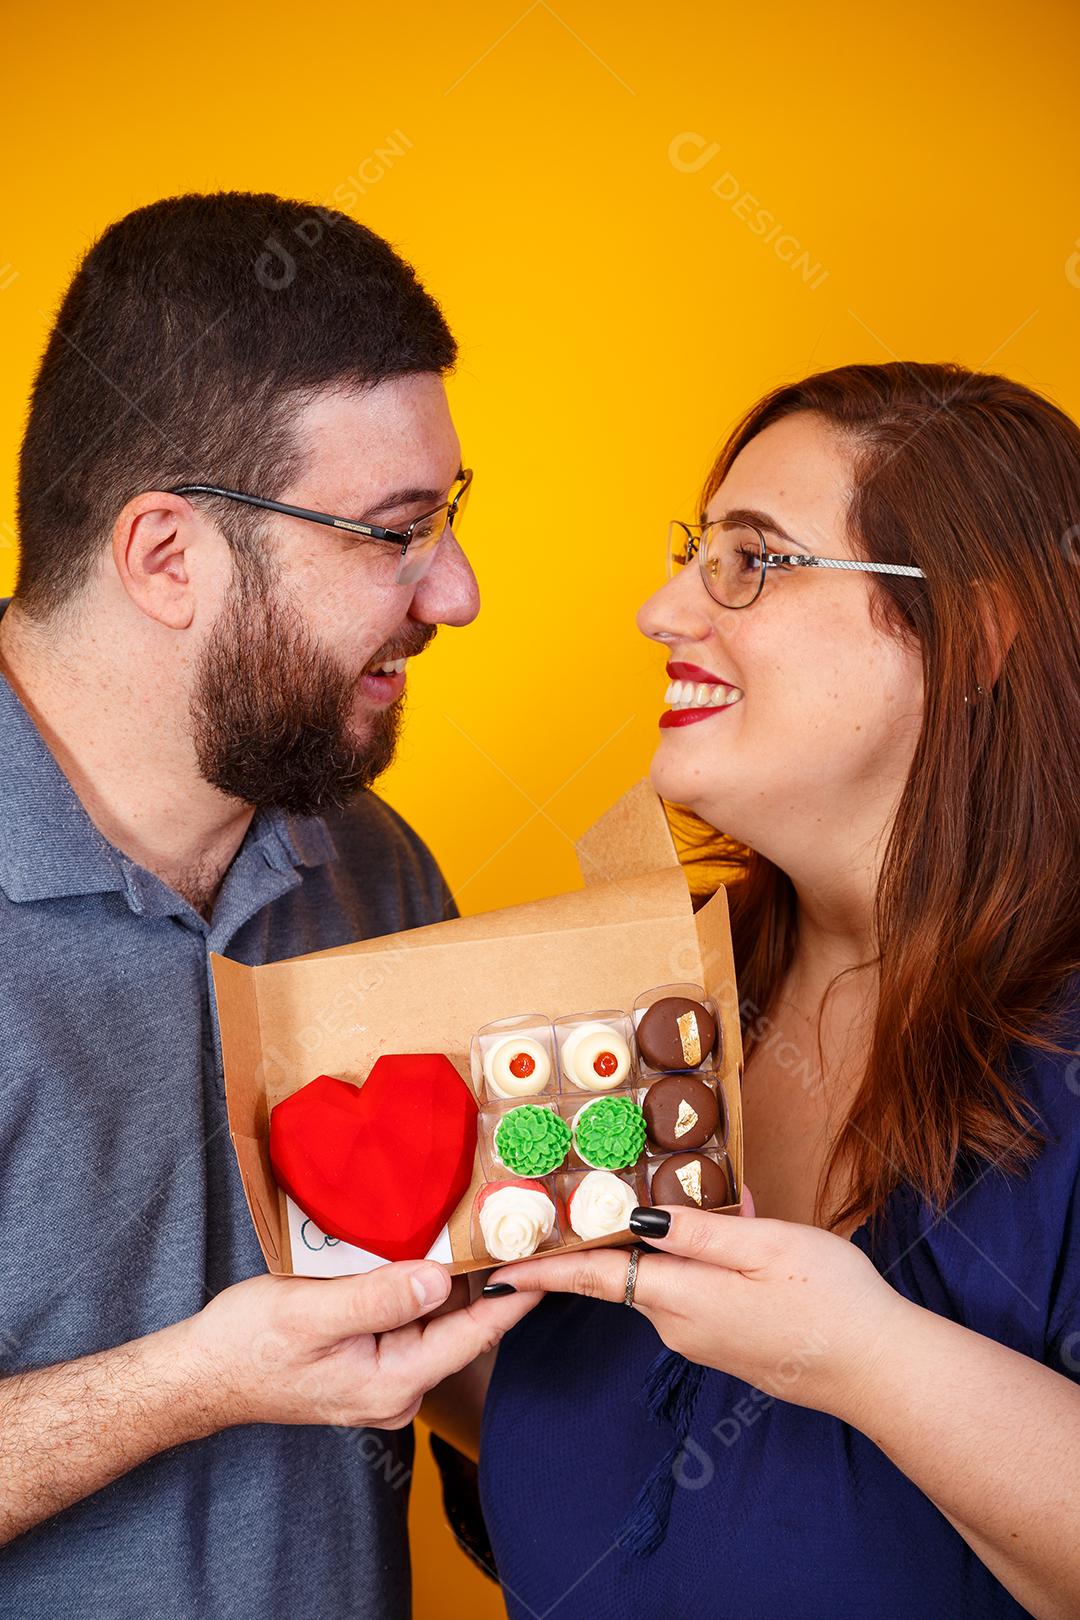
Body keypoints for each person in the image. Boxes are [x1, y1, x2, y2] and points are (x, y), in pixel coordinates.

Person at [0, 191, 533, 1618]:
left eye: (449, 521)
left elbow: (461, 1362)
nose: (461, 593)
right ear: (167, 557)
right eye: (393, 533)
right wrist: (184, 1387)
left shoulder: (375, 867)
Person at [475, 362, 1080, 1618]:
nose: (659, 610)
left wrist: (860, 1355)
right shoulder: (630, 1001)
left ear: (986, 633)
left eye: (752, 562)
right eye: (694, 554)